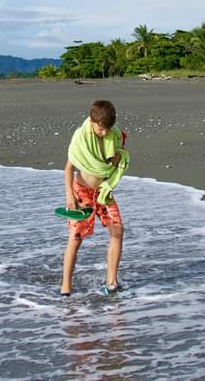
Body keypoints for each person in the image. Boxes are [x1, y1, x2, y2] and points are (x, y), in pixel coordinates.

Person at [61, 100, 130, 296]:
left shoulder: (113, 134)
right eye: (101, 129)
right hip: (82, 191)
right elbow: (68, 168)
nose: (105, 133)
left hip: (104, 192)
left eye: (108, 129)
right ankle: (66, 286)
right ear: (92, 121)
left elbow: (120, 158)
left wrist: (118, 158)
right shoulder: (81, 137)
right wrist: (69, 196)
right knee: (75, 238)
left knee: (118, 230)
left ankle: (111, 283)